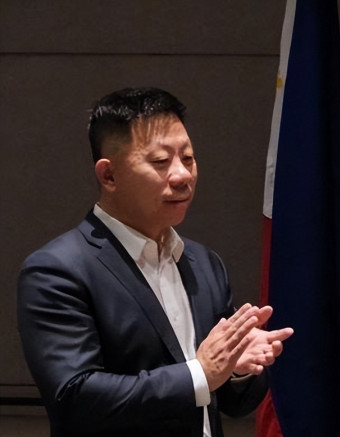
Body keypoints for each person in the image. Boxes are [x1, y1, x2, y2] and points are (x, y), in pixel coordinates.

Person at [16, 87, 294, 437]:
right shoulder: (57, 271)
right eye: (161, 162)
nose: (182, 175)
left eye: (188, 159)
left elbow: (231, 403)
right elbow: (74, 397)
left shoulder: (204, 263)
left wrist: (236, 369)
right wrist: (200, 373)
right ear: (109, 175)